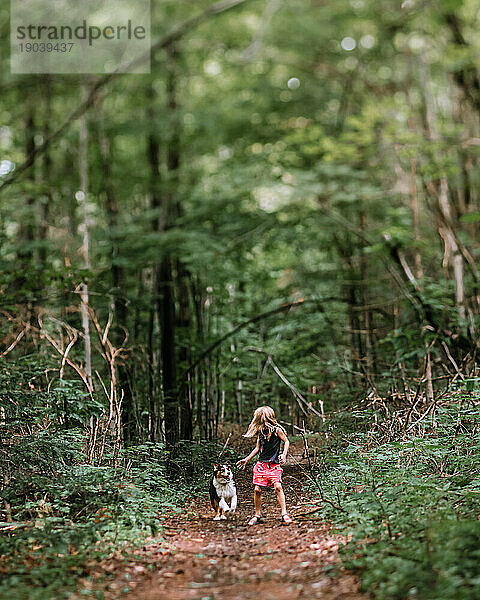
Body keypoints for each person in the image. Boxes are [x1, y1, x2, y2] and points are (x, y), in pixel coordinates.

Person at [236, 406, 293, 525]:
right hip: (261, 465)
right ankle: (257, 515)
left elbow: (286, 441)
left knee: (278, 487)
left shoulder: (277, 430)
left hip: (274, 465)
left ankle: (284, 513)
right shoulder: (260, 433)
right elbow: (257, 448)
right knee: (257, 489)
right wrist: (246, 459)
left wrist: (284, 454)